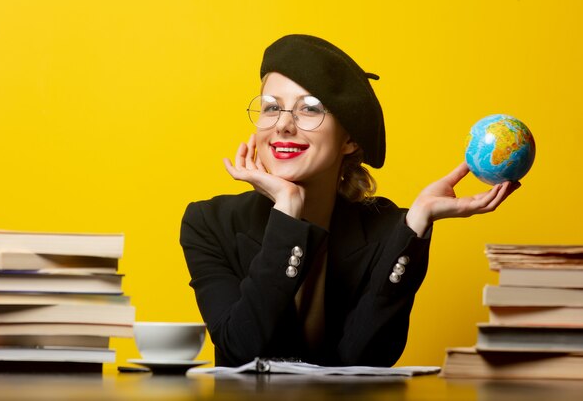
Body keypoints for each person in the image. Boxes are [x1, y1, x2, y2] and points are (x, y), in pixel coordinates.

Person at [180, 34, 519, 367]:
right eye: (271, 108)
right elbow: (242, 348)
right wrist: (287, 210)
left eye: (310, 109)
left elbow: (366, 359)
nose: (283, 124)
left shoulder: (388, 230)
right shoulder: (209, 223)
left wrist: (418, 220)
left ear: (350, 140)